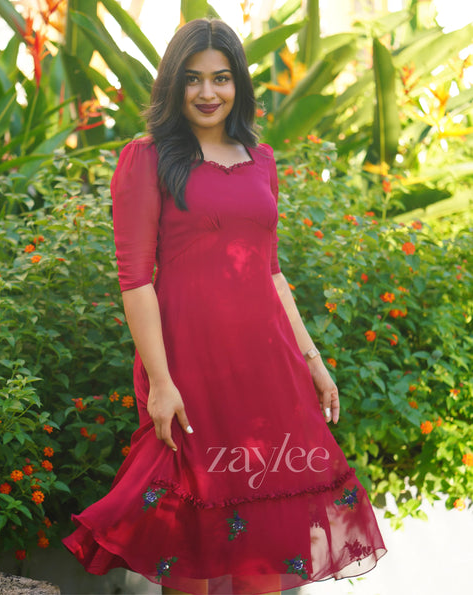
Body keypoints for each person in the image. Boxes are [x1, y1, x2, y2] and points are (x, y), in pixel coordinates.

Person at [63, 18, 386, 595]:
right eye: (192, 80)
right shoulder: (148, 158)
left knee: (262, 553)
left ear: (239, 82)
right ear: (173, 84)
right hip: (188, 369)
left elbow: (270, 269)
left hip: (266, 370)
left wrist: (313, 361)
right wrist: (161, 383)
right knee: (192, 552)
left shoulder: (260, 158)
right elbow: (135, 279)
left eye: (220, 78)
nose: (207, 93)